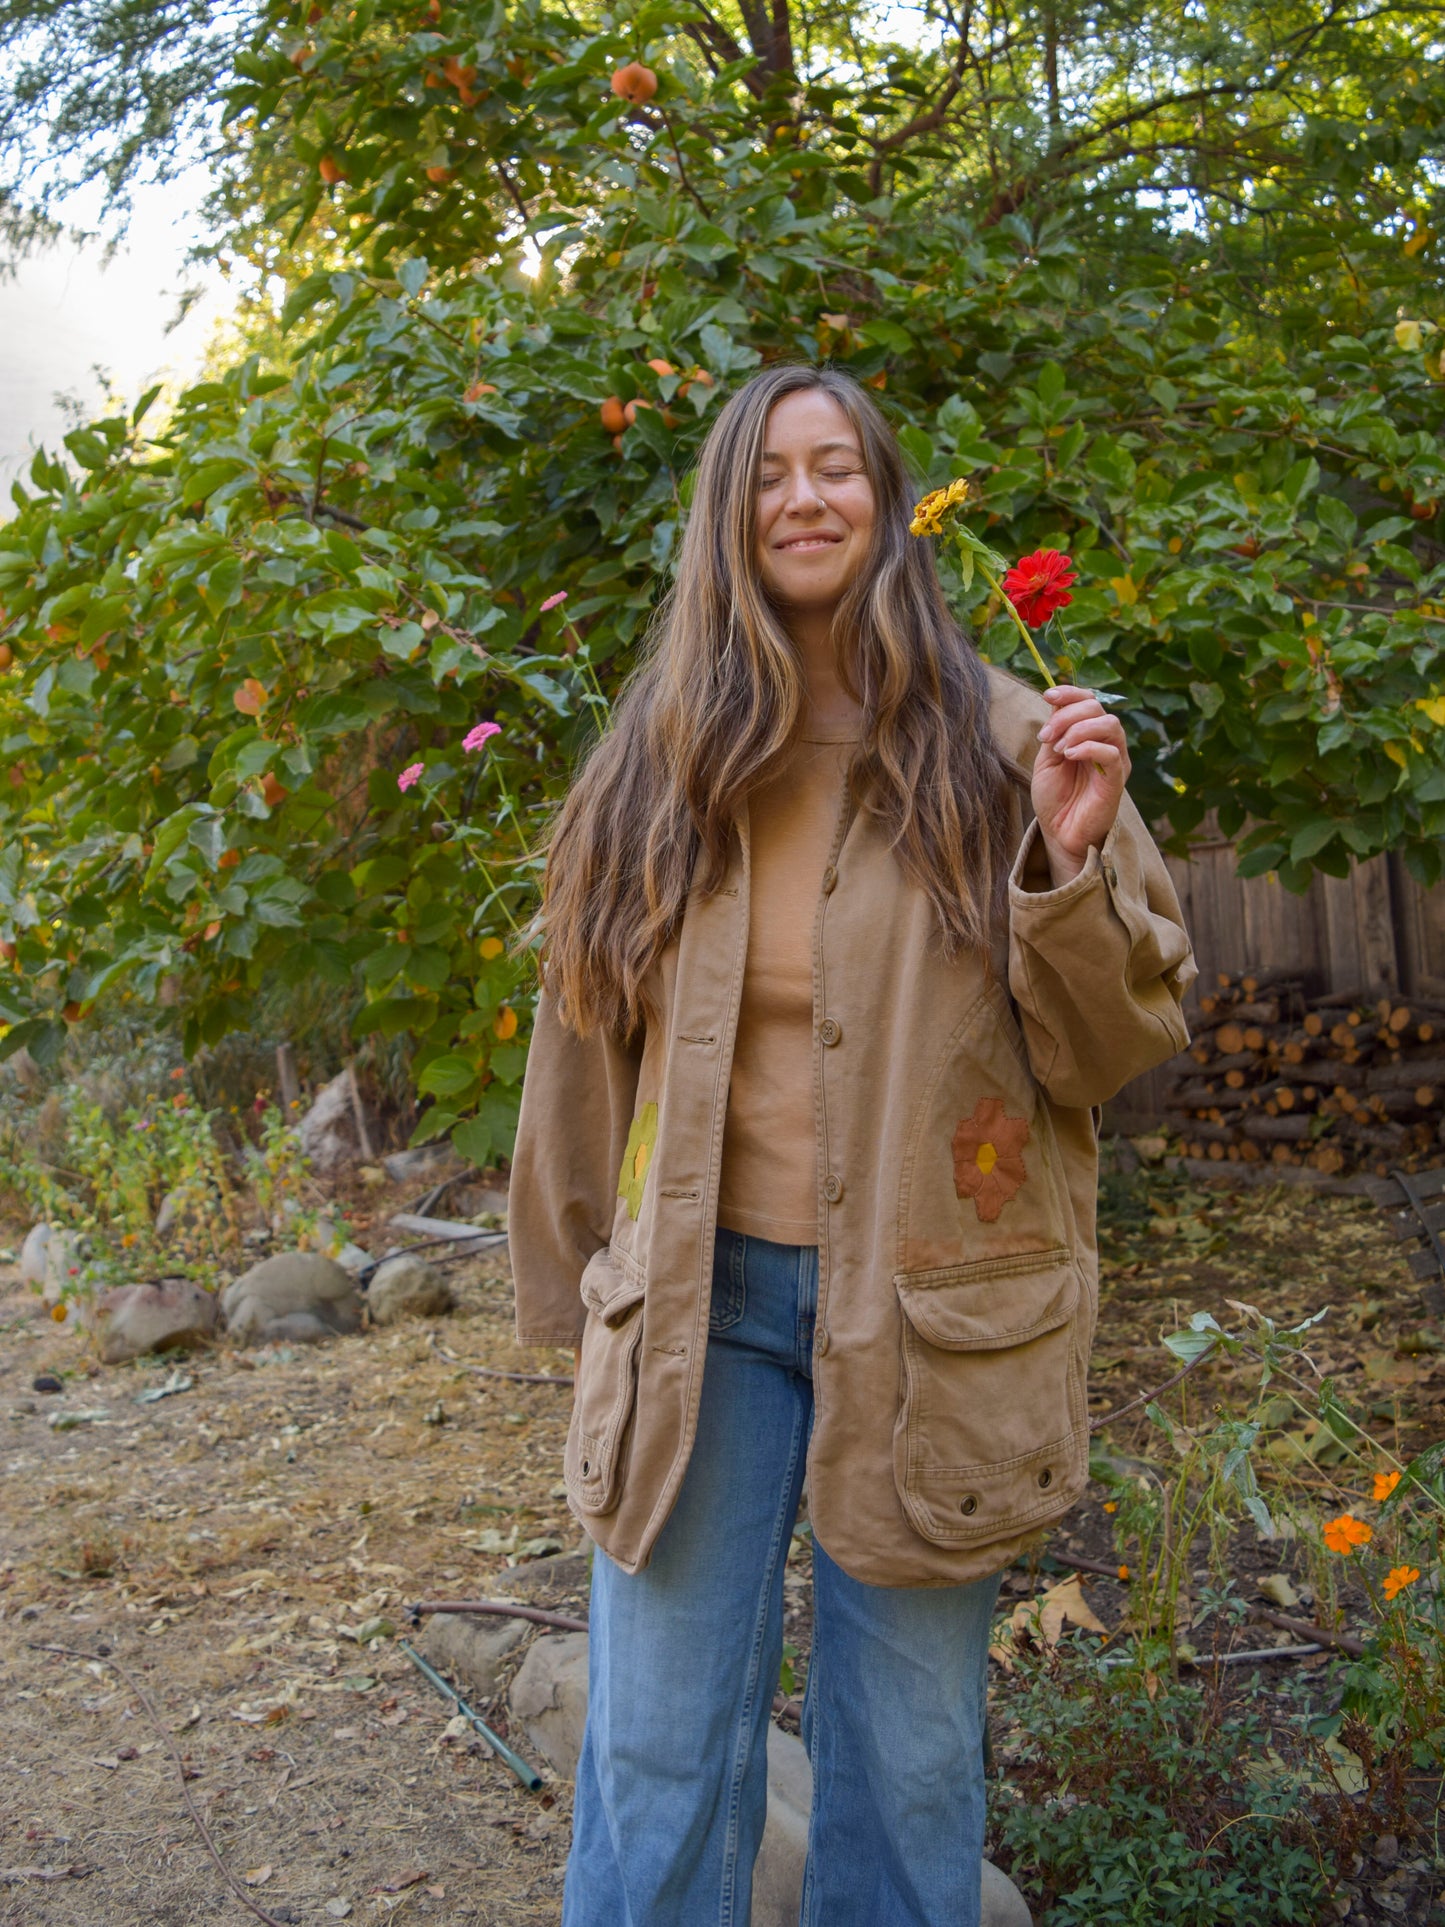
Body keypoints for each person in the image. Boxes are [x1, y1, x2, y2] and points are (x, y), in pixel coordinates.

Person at [508, 363, 1195, 1926]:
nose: (801, 500)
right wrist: (571, 1295)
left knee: (911, 1760)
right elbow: (577, 1036)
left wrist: (1068, 875)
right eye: (767, 474)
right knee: (661, 1747)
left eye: (835, 471)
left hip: (934, 1321)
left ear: (886, 507)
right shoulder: (659, 761)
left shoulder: (1011, 744)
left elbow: (1117, 1053)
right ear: (726, 516)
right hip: (700, 1310)